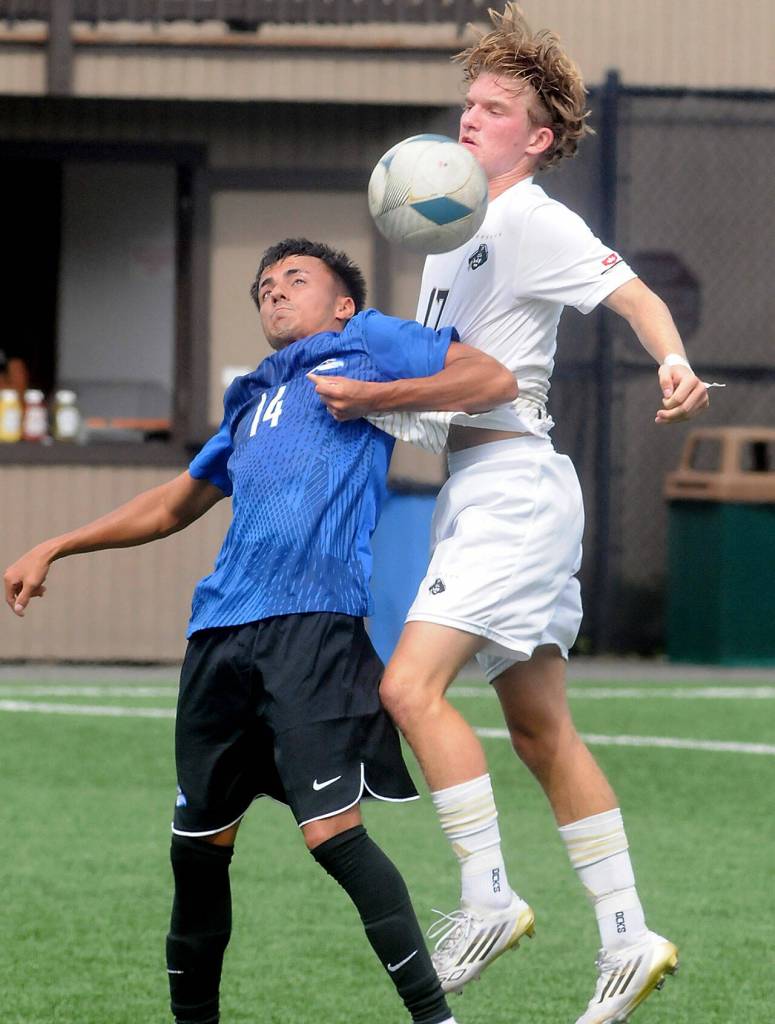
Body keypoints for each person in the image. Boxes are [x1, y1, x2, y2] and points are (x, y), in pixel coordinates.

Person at [311, 7, 711, 1023]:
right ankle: (628, 936)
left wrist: (672, 359)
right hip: (481, 486)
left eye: (494, 109)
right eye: (469, 102)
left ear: (536, 138)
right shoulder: (448, 231)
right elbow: (442, 398)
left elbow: (631, 296)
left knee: (408, 686)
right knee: (539, 731)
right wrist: (360, 399)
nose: (470, 118)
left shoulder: (532, 218)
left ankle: (489, 898)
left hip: (514, 491)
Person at [2, 238, 517, 1024]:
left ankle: (434, 1019)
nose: (273, 291)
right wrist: (56, 544)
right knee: (197, 851)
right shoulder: (251, 397)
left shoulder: (368, 341)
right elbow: (172, 504)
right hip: (219, 634)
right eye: (264, 285)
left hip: (312, 625)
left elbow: (490, 379)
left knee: (333, 837)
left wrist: (373, 397)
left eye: (295, 279)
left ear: (342, 303)